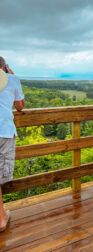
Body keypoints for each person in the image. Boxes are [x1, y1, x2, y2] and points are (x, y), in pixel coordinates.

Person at [0, 56, 25, 232]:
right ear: (4, 67)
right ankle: (1, 219)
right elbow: (20, 106)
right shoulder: (12, 79)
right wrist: (11, 73)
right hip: (4, 132)